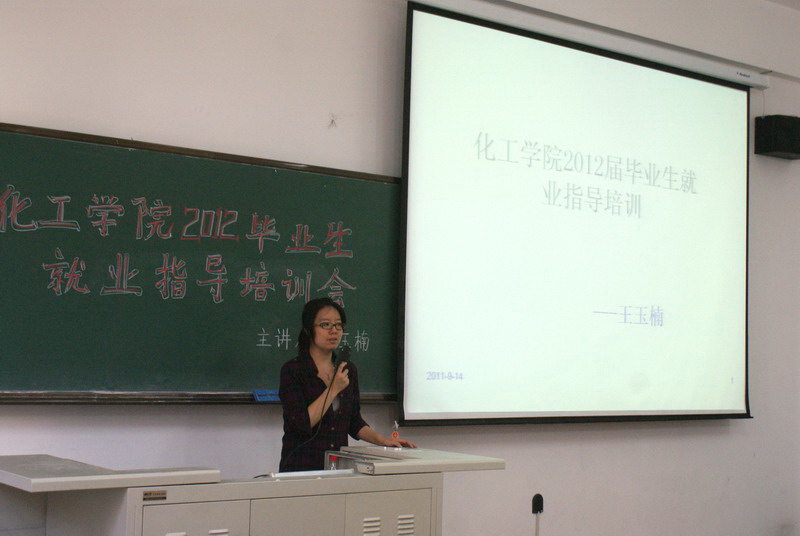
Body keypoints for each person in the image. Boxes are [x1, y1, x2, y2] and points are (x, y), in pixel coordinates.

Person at [278, 297, 416, 472]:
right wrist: (333, 389)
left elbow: (354, 421)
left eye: (338, 325)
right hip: (300, 466)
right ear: (308, 329)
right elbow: (300, 424)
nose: (333, 331)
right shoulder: (293, 370)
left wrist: (382, 441)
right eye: (325, 325)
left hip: (336, 467)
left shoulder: (348, 370)